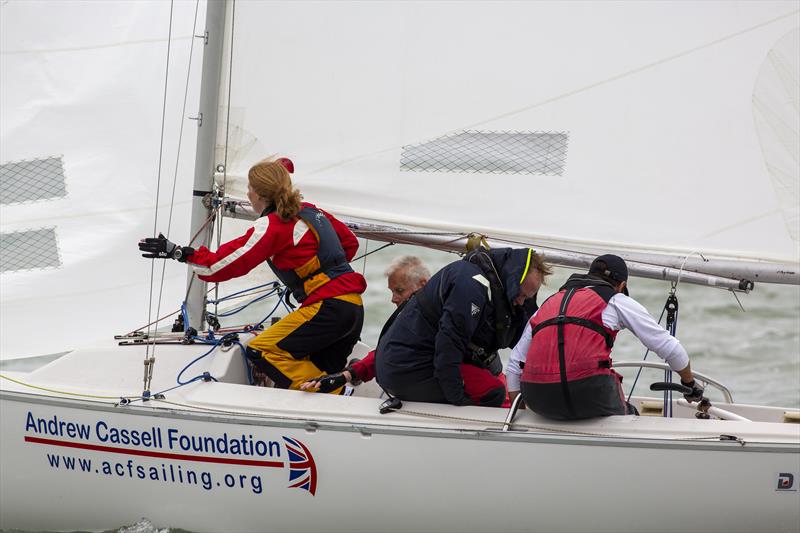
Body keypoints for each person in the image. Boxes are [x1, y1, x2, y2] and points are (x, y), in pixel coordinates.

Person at [138, 157, 367, 392]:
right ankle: (337, 389)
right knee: (317, 369)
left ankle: (338, 390)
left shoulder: (273, 225)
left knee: (261, 349)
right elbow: (349, 244)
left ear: (259, 194)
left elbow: (220, 266)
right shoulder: (311, 212)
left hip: (327, 309)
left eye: (249, 188)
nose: (247, 194)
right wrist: (313, 272)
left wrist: (178, 253)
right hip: (353, 308)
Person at [506, 254, 704, 420]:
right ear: (621, 286)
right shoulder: (616, 299)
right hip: (589, 393)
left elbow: (515, 364)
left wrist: (522, 417)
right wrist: (689, 384)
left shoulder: (548, 304)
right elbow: (670, 348)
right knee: (631, 415)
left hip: (539, 398)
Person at [374, 247, 552, 407]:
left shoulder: (502, 292)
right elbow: (449, 344)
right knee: (493, 392)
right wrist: (457, 398)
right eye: (520, 294)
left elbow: (524, 341)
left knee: (490, 379)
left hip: (411, 363)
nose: (521, 302)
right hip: (407, 369)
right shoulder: (469, 285)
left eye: (527, 298)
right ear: (511, 279)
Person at [299, 255, 429, 392]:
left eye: (400, 291)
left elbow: (391, 350)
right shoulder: (411, 318)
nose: (393, 299)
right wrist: (347, 375)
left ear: (423, 285)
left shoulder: (436, 316)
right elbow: (388, 350)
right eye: (392, 291)